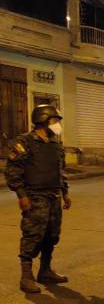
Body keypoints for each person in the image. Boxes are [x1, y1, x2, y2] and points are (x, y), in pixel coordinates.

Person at [5, 104, 72, 293]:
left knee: (52, 235)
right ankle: (26, 277)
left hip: (54, 196)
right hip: (35, 196)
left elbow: (60, 171)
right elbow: (13, 171)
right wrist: (21, 195)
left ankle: (45, 271)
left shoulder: (56, 145)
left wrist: (65, 192)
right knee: (33, 235)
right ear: (43, 120)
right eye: (55, 120)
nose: (58, 124)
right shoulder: (24, 142)